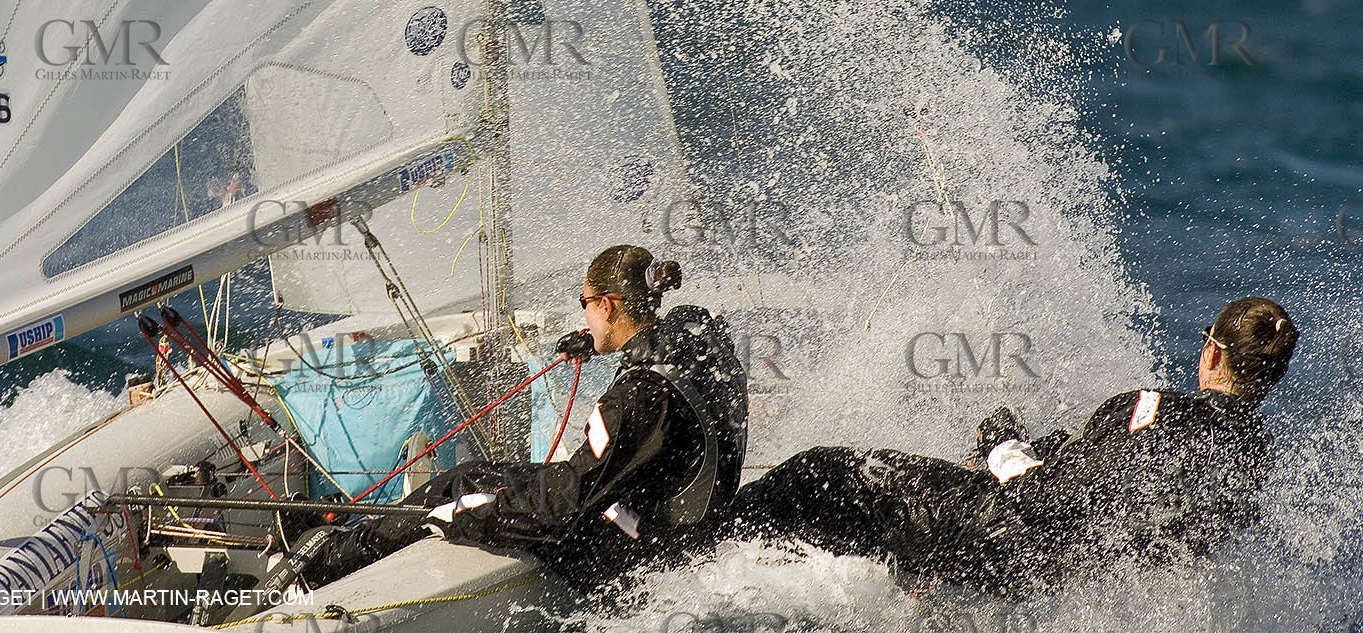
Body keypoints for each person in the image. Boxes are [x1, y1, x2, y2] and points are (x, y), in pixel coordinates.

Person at [729, 296, 1297, 595]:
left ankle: (689, 552)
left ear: (1212, 353)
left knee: (825, 471)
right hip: (1058, 578)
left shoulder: (1153, 408)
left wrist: (1002, 445)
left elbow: (1046, 496)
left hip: (1003, 543)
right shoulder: (1253, 460)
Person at [283, 244, 749, 591]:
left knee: (456, 487)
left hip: (643, 552)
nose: (585, 316)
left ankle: (323, 565)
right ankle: (339, 547)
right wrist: (600, 343)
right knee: (475, 476)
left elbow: (564, 506)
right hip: (683, 520)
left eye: (585, 306)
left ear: (606, 306)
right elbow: (676, 333)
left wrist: (463, 515)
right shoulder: (695, 334)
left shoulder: (635, 397)